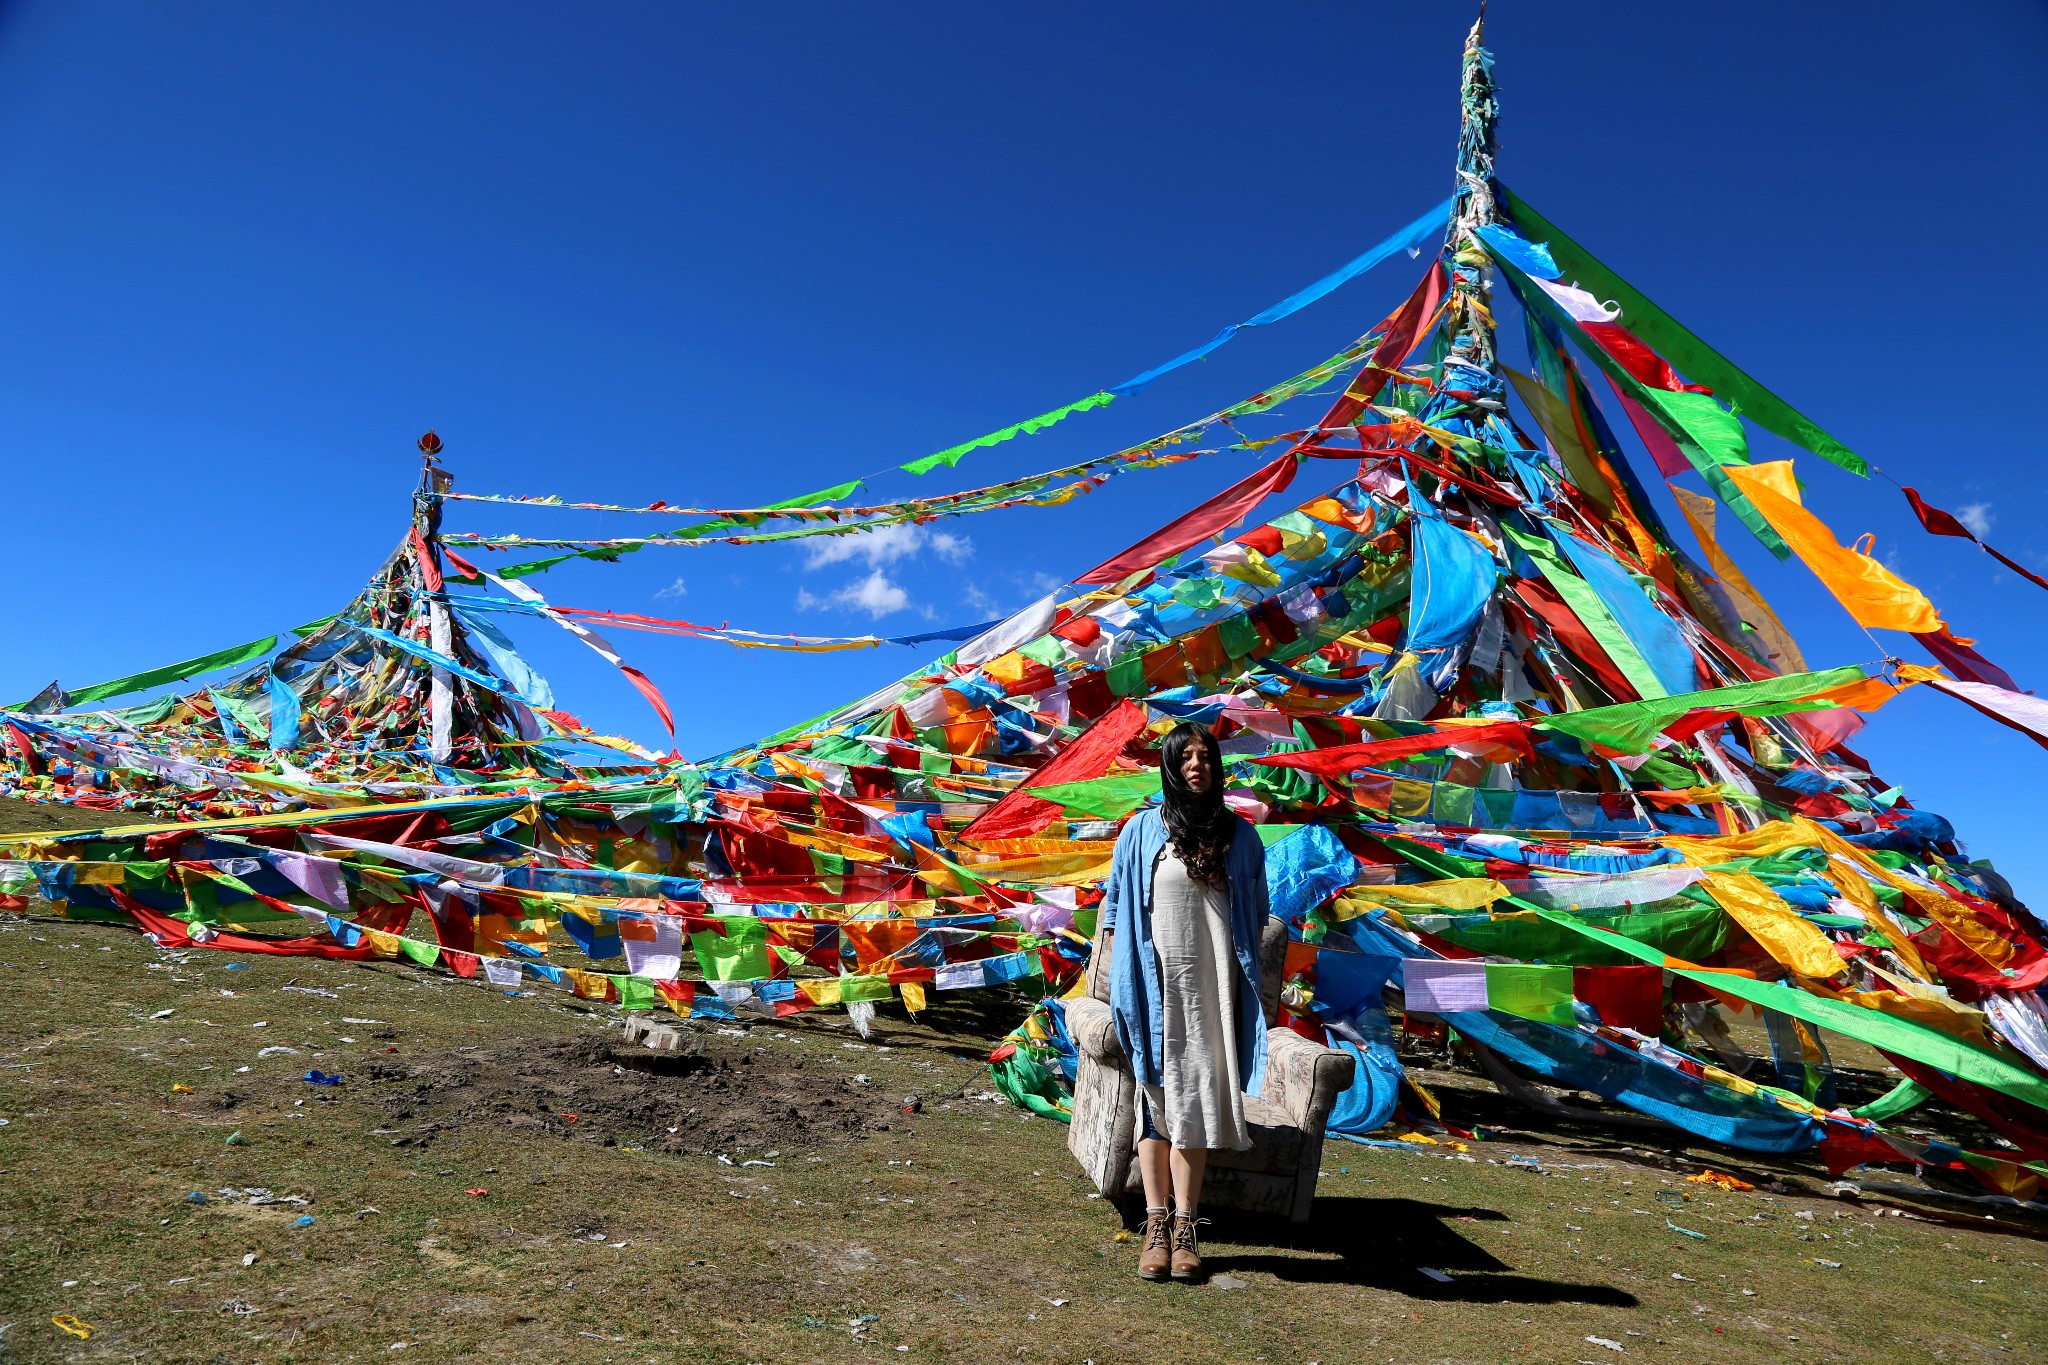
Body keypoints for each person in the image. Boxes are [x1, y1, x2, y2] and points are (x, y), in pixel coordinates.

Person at [1097, 721, 1268, 1283]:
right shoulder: (1142, 832)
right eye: (1185, 756)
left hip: (1213, 993)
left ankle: (1187, 1226)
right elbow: (1117, 914)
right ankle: (1154, 1226)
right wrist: (1112, 986)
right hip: (1155, 986)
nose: (1198, 764)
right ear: (1170, 766)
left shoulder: (1241, 837)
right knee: (1156, 1099)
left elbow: (1256, 913)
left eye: (1206, 756)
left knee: (1193, 1104)